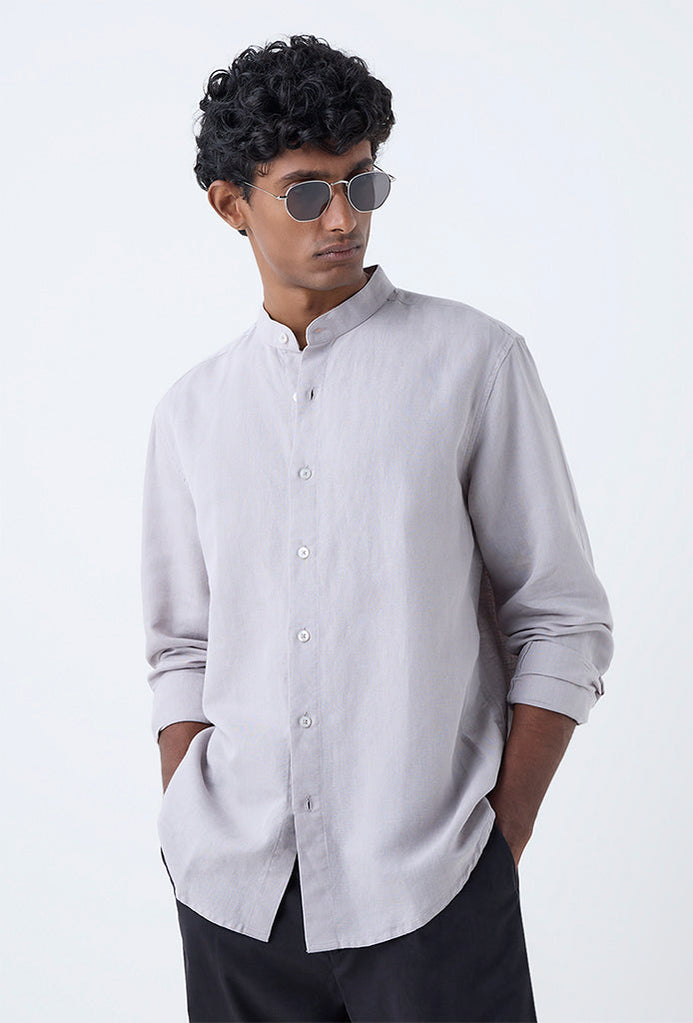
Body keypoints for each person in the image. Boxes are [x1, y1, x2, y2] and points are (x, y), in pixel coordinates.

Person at [140, 33, 614, 1023]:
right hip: (234, 897)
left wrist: (497, 842)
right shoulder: (192, 411)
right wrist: (189, 815)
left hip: (430, 891)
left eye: (362, 183)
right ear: (231, 204)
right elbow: (181, 646)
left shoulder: (473, 363)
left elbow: (561, 621)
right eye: (306, 192)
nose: (343, 218)